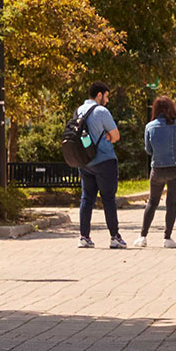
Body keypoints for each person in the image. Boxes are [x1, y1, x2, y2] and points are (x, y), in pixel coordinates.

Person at [74, 82, 126, 249]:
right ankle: (114, 237)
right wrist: (109, 137)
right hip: (104, 160)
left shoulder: (78, 111)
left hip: (84, 162)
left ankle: (84, 237)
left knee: (87, 198)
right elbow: (116, 135)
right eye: (106, 96)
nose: (107, 100)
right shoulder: (101, 111)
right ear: (99, 95)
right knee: (108, 199)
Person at [137, 95, 176, 249]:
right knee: (171, 203)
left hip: (157, 169)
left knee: (152, 202)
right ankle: (167, 238)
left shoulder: (149, 126)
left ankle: (143, 237)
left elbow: (148, 149)